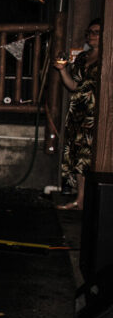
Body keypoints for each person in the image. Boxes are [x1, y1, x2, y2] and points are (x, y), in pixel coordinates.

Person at [55, 19, 102, 210]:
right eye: (89, 32)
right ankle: (80, 199)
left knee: (90, 156)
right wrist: (62, 70)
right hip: (78, 111)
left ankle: (91, 201)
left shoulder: (108, 57)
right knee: (77, 156)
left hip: (96, 112)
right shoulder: (83, 57)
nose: (91, 35)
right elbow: (73, 85)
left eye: (96, 32)